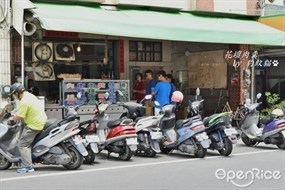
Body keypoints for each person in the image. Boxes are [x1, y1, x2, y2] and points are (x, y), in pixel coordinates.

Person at [8, 83, 47, 173]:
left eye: (14, 94)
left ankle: (27, 166)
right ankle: (29, 159)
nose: (14, 96)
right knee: (28, 142)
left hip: (34, 125)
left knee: (22, 144)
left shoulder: (23, 102)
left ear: (17, 93)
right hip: (41, 120)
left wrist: (11, 118)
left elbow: (19, 116)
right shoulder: (29, 95)